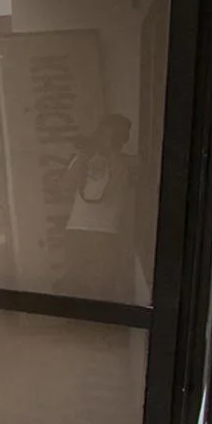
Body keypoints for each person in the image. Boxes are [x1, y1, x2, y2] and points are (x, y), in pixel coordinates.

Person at [62, 114, 136, 301]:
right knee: (74, 283)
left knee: (102, 285)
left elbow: (120, 181)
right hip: (76, 229)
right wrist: (83, 156)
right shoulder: (83, 159)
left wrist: (110, 153)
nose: (101, 139)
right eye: (100, 133)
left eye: (108, 135)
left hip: (106, 232)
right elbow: (66, 187)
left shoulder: (125, 162)